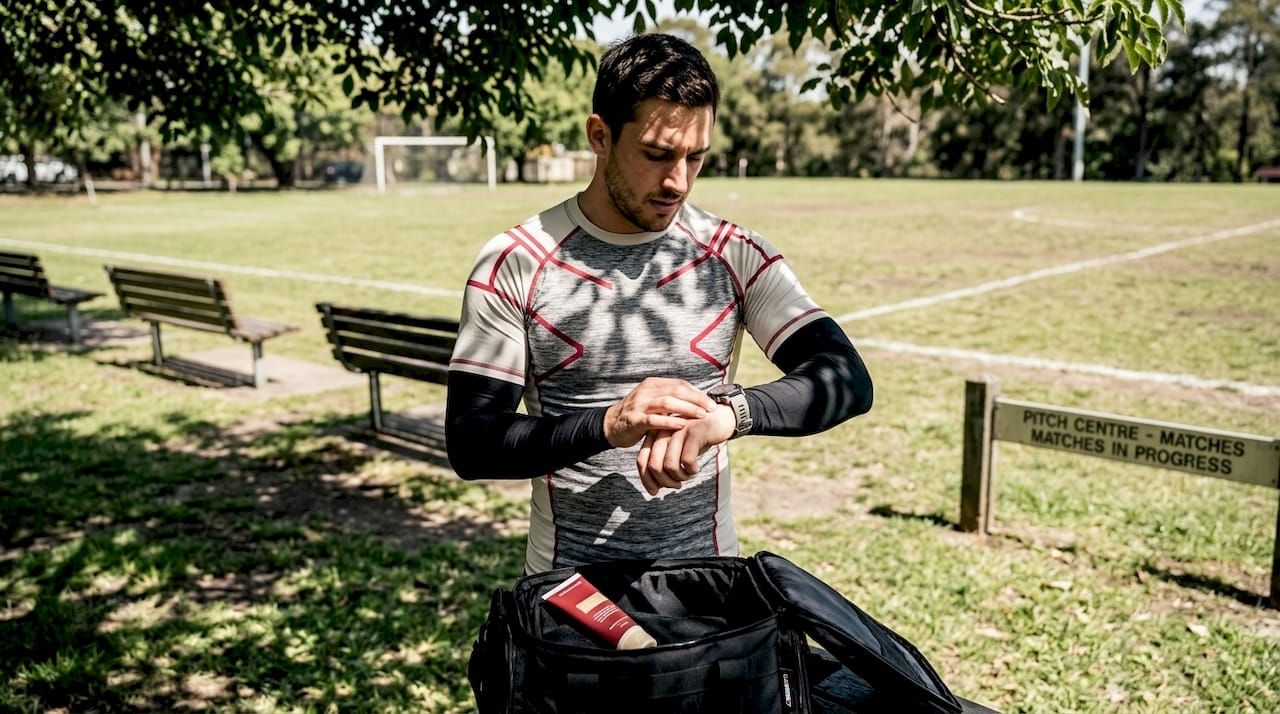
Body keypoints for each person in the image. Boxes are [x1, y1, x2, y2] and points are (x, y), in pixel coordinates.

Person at [446, 32, 873, 574]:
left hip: (709, 586)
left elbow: (846, 378)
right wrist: (608, 423)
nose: (678, 181)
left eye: (696, 157)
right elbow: (473, 442)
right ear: (600, 136)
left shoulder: (734, 253)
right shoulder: (517, 261)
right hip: (569, 593)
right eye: (657, 154)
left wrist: (730, 414)